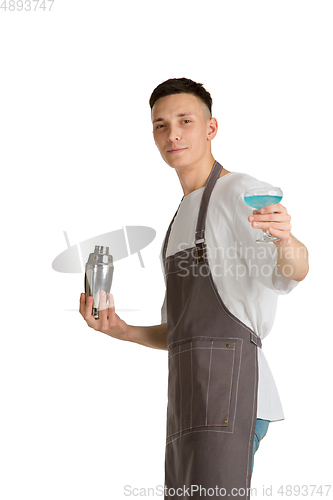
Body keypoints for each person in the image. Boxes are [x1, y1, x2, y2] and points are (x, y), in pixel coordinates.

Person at [80, 78, 309, 498]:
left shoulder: (236, 191)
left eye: (185, 120)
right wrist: (122, 330)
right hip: (187, 401)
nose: (173, 134)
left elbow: (292, 272)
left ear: (211, 128)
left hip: (230, 395)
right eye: (161, 125)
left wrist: (286, 239)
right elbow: (181, 331)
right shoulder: (179, 219)